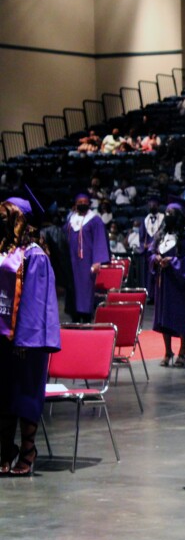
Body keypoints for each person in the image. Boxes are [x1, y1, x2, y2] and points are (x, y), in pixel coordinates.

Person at [0, 194, 61, 477]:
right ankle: (6, 449)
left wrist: (23, 340)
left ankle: (27, 450)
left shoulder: (35, 255)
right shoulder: (3, 250)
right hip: (2, 339)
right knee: (3, 395)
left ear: (19, 220)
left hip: (25, 342)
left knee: (24, 395)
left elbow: (36, 303)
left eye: (5, 217)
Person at [151, 198, 185, 368]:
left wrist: (174, 261)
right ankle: (167, 351)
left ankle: (183, 350)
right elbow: (150, 252)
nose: (168, 216)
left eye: (172, 213)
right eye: (167, 213)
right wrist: (155, 258)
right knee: (164, 317)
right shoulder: (162, 234)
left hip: (180, 283)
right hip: (164, 283)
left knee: (181, 316)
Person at [64, 193, 110, 322]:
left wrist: (97, 261)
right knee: (73, 288)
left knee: (85, 289)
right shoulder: (70, 220)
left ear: (89, 204)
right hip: (72, 263)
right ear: (75, 204)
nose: (82, 204)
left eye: (85, 202)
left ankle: (86, 316)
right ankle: (75, 316)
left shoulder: (95, 220)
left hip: (87, 263)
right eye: (79, 202)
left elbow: (100, 240)